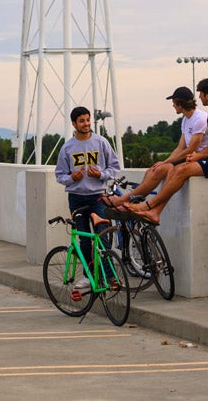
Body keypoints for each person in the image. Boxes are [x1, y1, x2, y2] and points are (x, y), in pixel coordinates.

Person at [126, 77, 208, 225]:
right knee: (174, 170)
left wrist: (201, 155)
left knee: (181, 171)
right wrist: (199, 156)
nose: (198, 97)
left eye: (201, 94)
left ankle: (148, 205)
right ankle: (155, 212)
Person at [108, 86, 208, 207]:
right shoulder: (186, 120)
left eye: (174, 103)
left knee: (160, 169)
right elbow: (180, 147)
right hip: (187, 157)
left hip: (197, 158)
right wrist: (165, 161)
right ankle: (135, 199)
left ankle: (123, 200)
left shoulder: (200, 118)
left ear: (180, 104)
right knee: (153, 169)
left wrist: (167, 162)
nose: (173, 105)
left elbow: (191, 148)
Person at [54, 106, 122, 286]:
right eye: (82, 121)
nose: (86, 124)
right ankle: (88, 275)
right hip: (76, 198)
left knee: (102, 237)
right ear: (74, 124)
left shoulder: (101, 142)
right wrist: (71, 178)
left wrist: (100, 175)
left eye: (88, 120)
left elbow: (114, 168)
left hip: (98, 198)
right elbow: (59, 174)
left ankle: (109, 277)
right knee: (84, 240)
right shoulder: (67, 147)